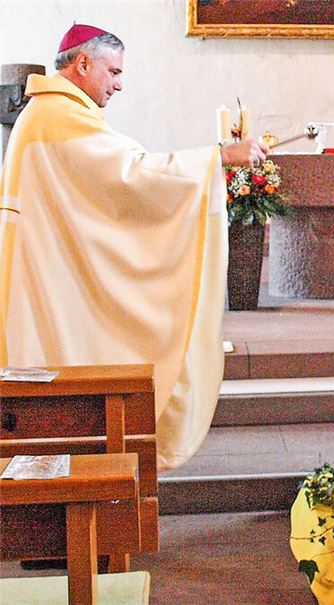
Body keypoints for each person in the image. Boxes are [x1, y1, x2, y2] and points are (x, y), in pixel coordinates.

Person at [0, 24, 268, 470]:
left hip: (48, 275)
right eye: (114, 71)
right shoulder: (55, 116)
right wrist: (218, 156)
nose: (119, 84)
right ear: (82, 63)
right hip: (42, 283)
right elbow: (131, 175)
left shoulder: (53, 113)